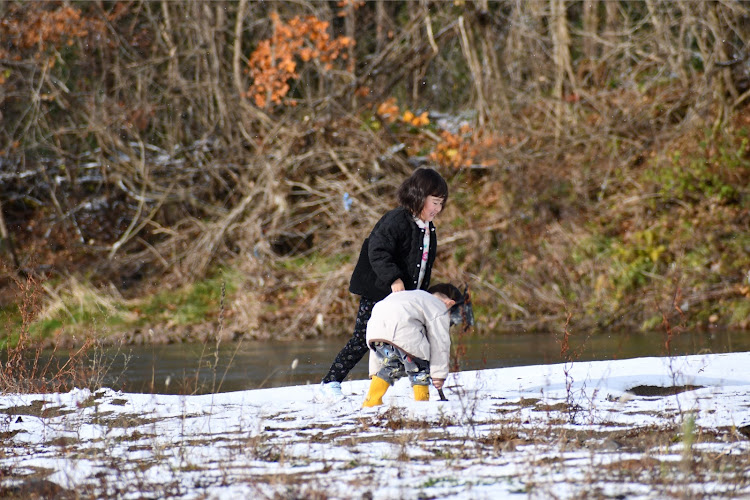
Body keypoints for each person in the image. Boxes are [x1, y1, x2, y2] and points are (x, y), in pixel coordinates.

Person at [317, 167, 448, 401]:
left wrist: (421, 294)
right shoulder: (396, 220)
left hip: (406, 296)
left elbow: (423, 264)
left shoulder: (428, 228)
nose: (437, 209)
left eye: (441, 204)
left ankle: (415, 382)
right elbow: (376, 250)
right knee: (363, 336)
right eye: (434, 203)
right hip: (379, 288)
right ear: (419, 196)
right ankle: (330, 381)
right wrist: (393, 279)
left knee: (413, 337)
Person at [362, 283, 465, 406]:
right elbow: (440, 342)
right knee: (419, 368)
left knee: (391, 366)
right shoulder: (439, 307)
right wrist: (438, 375)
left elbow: (380, 337)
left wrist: (375, 371)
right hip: (402, 329)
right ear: (450, 303)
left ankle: (371, 401)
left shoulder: (413, 297)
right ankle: (421, 403)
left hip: (374, 329)